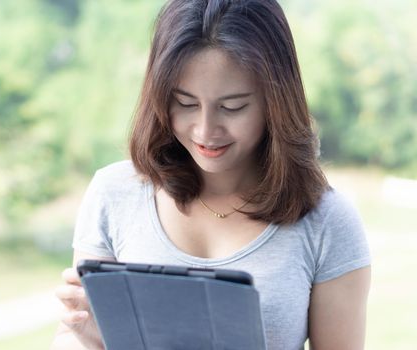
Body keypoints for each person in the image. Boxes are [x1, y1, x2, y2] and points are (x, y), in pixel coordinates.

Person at [51, 0, 371, 349]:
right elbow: (74, 339)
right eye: (186, 103)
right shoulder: (114, 194)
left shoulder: (326, 221)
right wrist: (85, 337)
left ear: (276, 101)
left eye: (232, 107)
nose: (205, 131)